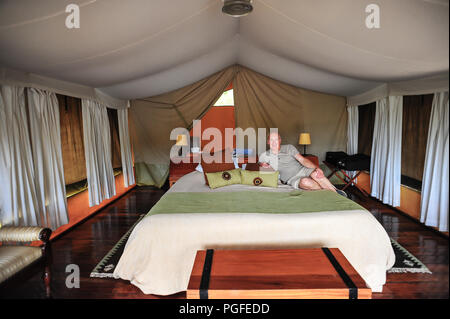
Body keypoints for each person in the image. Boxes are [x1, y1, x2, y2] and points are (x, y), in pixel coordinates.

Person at [259, 132, 347, 197]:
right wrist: (264, 166)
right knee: (305, 182)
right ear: (268, 142)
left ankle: (337, 195)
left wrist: (317, 168)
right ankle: (330, 192)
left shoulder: (289, 147)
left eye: (276, 139)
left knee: (316, 174)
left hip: (303, 169)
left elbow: (303, 160)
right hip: (292, 178)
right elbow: (263, 168)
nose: (274, 142)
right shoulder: (264, 155)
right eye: (271, 140)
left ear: (280, 140)